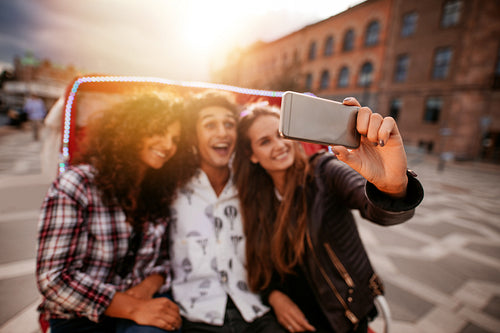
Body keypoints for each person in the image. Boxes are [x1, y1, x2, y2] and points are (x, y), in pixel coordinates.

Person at [233, 98, 424, 333]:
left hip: (344, 318)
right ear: (252, 155)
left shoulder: (323, 171)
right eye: (264, 141)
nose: (279, 145)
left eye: (281, 134)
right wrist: (273, 295)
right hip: (290, 322)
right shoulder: (257, 199)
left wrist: (392, 186)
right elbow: (260, 264)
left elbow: (379, 211)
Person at [36, 94, 197, 333]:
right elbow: (54, 278)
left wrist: (146, 289)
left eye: (175, 139)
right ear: (131, 131)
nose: (167, 145)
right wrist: (131, 307)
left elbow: (163, 261)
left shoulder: (159, 189)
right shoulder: (77, 184)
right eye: (159, 132)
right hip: (81, 315)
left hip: (142, 305)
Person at [168, 90, 285, 332]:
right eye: (210, 124)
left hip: (255, 311)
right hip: (195, 316)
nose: (222, 132)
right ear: (193, 136)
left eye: (229, 124)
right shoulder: (172, 188)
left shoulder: (253, 183)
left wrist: (274, 294)